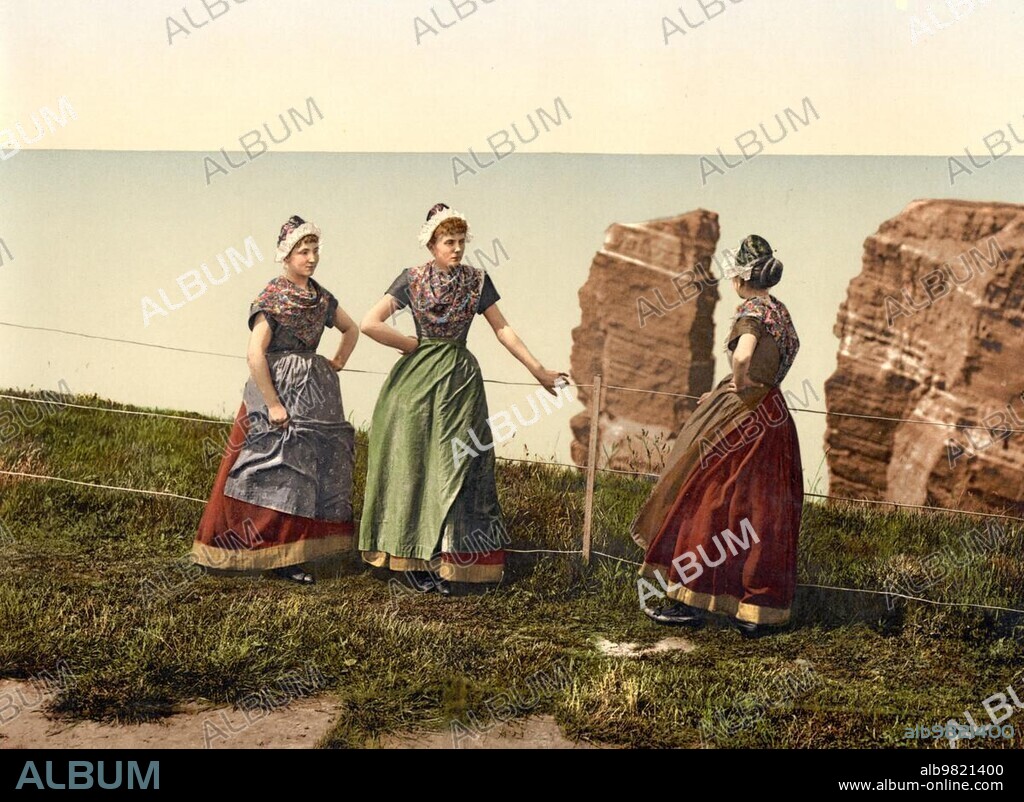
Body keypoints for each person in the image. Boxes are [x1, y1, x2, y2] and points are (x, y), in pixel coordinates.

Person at [358, 203, 566, 594]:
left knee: (460, 465)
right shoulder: (411, 278)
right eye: (447, 242)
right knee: (414, 466)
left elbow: (502, 330)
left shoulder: (476, 280)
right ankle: (411, 563)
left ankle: (453, 562)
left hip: (459, 381)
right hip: (414, 385)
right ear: (432, 244)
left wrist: (538, 371)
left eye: (460, 241)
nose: (456, 249)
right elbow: (369, 322)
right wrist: (410, 344)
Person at [631, 234, 803, 636]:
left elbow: (744, 356)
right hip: (774, 415)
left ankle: (691, 600)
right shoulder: (781, 312)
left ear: (742, 278)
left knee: (706, 499)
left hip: (742, 413)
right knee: (762, 510)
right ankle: (755, 610)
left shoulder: (751, 311)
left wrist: (737, 383)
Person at [192, 215, 359, 584]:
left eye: (315, 250)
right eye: (304, 251)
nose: (311, 258)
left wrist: (336, 362)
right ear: (286, 255)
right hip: (276, 390)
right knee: (262, 468)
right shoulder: (272, 296)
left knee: (301, 476)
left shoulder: (322, 297)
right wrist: (272, 404)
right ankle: (236, 548)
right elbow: (255, 353)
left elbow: (352, 329)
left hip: (312, 396)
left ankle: (290, 555)